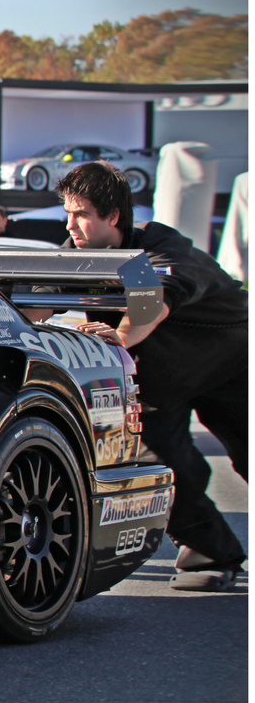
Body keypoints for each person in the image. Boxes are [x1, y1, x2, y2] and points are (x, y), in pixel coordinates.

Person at [55, 162, 247, 591]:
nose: (72, 225)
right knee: (159, 461)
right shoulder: (71, 251)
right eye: (67, 213)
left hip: (228, 360)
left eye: (81, 213)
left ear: (113, 217)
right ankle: (209, 549)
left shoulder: (155, 248)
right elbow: (33, 304)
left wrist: (119, 337)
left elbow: (149, 299)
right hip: (162, 377)